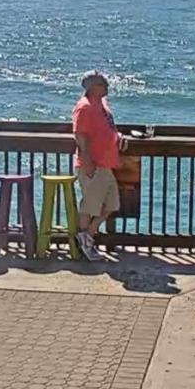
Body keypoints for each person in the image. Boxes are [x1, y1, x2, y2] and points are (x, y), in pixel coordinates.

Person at [72, 70, 123, 260]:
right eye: (102, 84)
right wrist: (88, 165)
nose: (107, 86)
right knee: (90, 207)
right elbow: (80, 137)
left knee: (112, 205)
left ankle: (87, 235)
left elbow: (107, 127)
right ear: (92, 87)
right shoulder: (84, 108)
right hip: (93, 166)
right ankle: (85, 243)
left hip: (106, 165)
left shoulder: (101, 104)